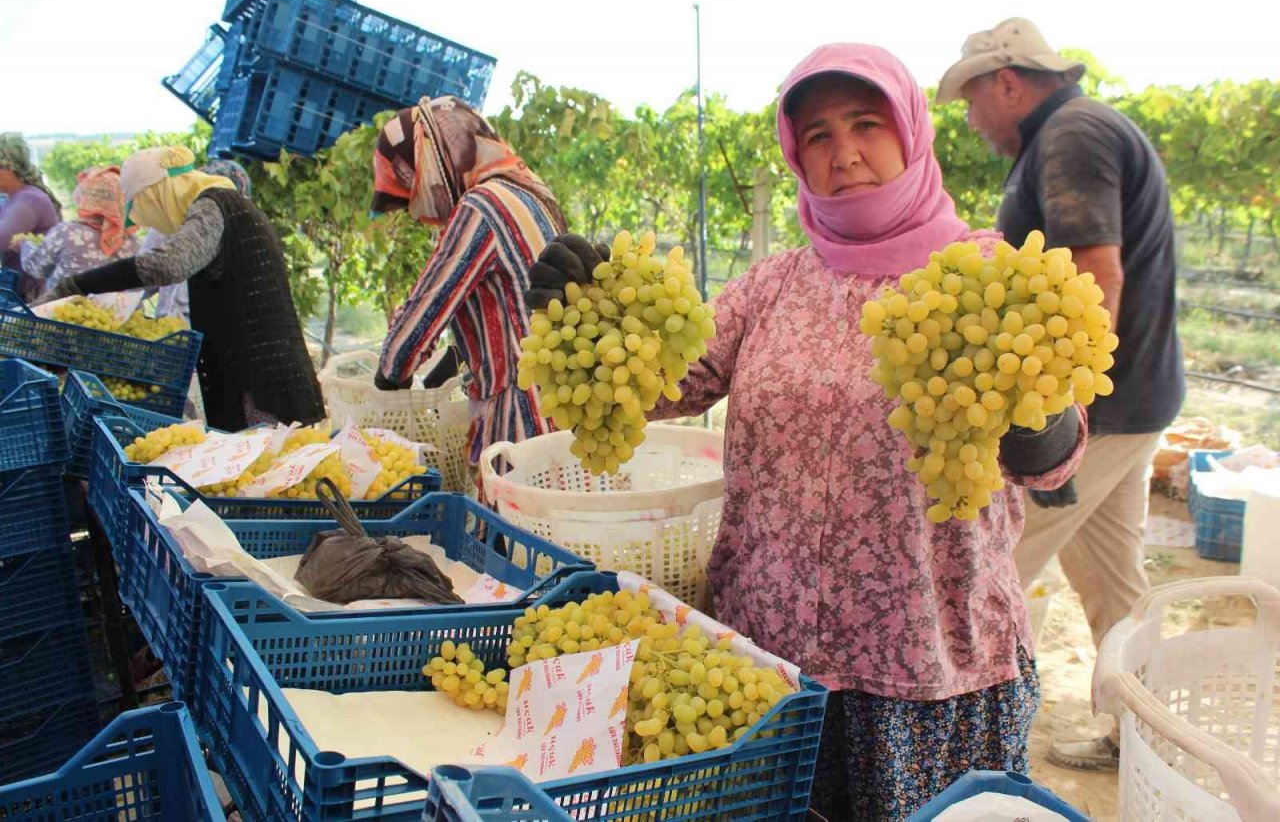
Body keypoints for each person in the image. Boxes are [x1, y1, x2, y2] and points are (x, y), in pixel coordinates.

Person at [528, 44, 1087, 820]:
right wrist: (588, 310)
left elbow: (1054, 460)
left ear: (910, 132)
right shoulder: (775, 283)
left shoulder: (982, 276)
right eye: (817, 134)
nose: (844, 152)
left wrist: (1037, 417)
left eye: (866, 123)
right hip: (771, 663)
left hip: (927, 669)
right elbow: (662, 383)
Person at [938, 17, 1185, 772]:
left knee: (993, 564)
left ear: (1007, 82)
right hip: (1135, 397)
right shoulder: (1074, 130)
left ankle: (961, 747)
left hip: (1098, 414)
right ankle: (1142, 739)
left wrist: (1062, 415)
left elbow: (1093, 274)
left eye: (973, 100)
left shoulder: (1071, 135)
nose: (973, 121)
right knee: (1116, 579)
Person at [39, 145, 325, 432]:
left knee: (262, 468)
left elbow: (168, 265)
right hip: (254, 376)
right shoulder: (223, 204)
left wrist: (80, 283)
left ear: (157, 194)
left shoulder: (216, 206)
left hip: (261, 385)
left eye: (145, 209)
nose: (152, 222)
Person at [370, 95, 567, 479]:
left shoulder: (482, 206)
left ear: (437, 156)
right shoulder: (529, 194)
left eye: (413, 183)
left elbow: (425, 311)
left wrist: (392, 371)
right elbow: (501, 309)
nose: (418, 209)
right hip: (558, 411)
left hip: (521, 422)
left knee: (506, 533)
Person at [138, 159, 254, 324]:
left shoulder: (237, 246)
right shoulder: (167, 226)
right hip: (164, 333)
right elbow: (143, 279)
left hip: (202, 340)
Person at [18, 166, 139, 296]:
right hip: (116, 315)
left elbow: (35, 267)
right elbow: (142, 288)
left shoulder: (66, 233)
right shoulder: (133, 243)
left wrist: (25, 244)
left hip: (61, 312)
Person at [0, 132, 63, 301]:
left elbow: (3, 238)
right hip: (15, 289)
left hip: (28, 295)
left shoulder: (29, 199)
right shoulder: (14, 197)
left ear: (8, 169)